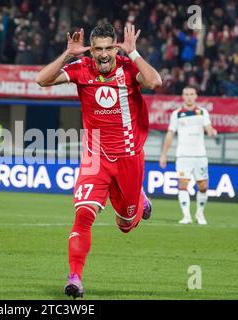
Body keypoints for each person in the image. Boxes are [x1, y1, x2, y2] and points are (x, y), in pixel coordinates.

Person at [36, 23, 162, 298]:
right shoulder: (82, 68)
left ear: (116, 47)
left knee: (126, 225)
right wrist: (67, 55)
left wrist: (135, 54)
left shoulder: (129, 68)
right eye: (98, 49)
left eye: (109, 48)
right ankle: (74, 279)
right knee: (83, 214)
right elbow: (42, 80)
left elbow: (155, 82)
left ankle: (138, 199)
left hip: (129, 157)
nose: (104, 55)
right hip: (94, 155)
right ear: (91, 49)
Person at [159, 85, 217, 225]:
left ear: (196, 96)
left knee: (203, 186)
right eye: (186, 94)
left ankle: (199, 214)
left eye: (192, 94)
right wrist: (163, 154)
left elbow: (208, 128)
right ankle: (186, 216)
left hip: (200, 155)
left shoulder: (202, 112)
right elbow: (170, 133)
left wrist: (211, 132)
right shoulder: (177, 114)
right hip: (183, 155)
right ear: (183, 96)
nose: (189, 96)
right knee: (183, 184)